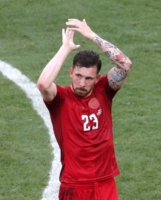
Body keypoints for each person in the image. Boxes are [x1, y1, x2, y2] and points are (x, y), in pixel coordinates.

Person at [37, 18, 132, 200]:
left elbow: (125, 65)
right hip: (75, 186)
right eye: (78, 75)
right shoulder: (60, 98)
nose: (81, 83)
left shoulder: (104, 90)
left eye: (88, 78)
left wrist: (92, 36)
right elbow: (43, 83)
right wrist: (65, 49)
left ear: (97, 78)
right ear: (71, 73)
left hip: (105, 183)